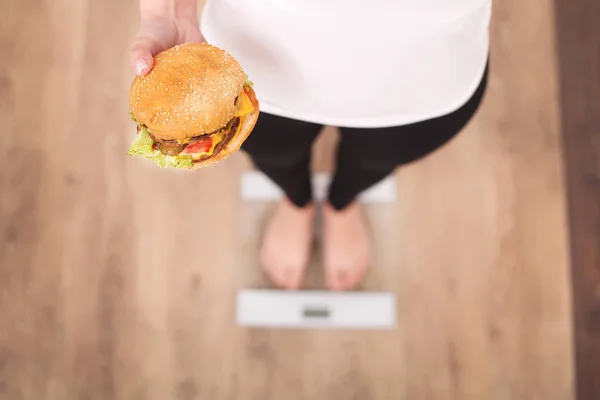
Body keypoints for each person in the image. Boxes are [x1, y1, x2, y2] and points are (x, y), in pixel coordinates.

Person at [131, 0, 492, 291]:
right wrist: (166, 10)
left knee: (376, 158)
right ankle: (297, 201)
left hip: (427, 67)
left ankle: (342, 204)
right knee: (274, 152)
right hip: (259, 51)